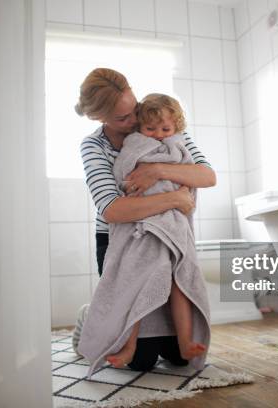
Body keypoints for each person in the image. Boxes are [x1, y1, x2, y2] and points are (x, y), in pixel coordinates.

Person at [73, 68, 216, 371]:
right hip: (122, 239)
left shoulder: (160, 125)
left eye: (133, 109)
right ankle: (92, 317)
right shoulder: (94, 146)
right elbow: (112, 209)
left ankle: (169, 335)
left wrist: (159, 171)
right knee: (141, 360)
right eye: (123, 118)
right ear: (101, 118)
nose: (135, 122)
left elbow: (206, 175)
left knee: (179, 357)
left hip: (165, 234)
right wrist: (175, 199)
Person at [104, 93, 207, 368]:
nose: (159, 136)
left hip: (173, 226)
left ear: (176, 127)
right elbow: (123, 177)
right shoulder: (133, 144)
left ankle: (185, 342)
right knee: (138, 281)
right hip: (144, 227)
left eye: (166, 130)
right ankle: (128, 346)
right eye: (151, 129)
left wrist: (162, 172)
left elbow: (205, 176)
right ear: (140, 126)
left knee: (179, 283)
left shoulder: (182, 142)